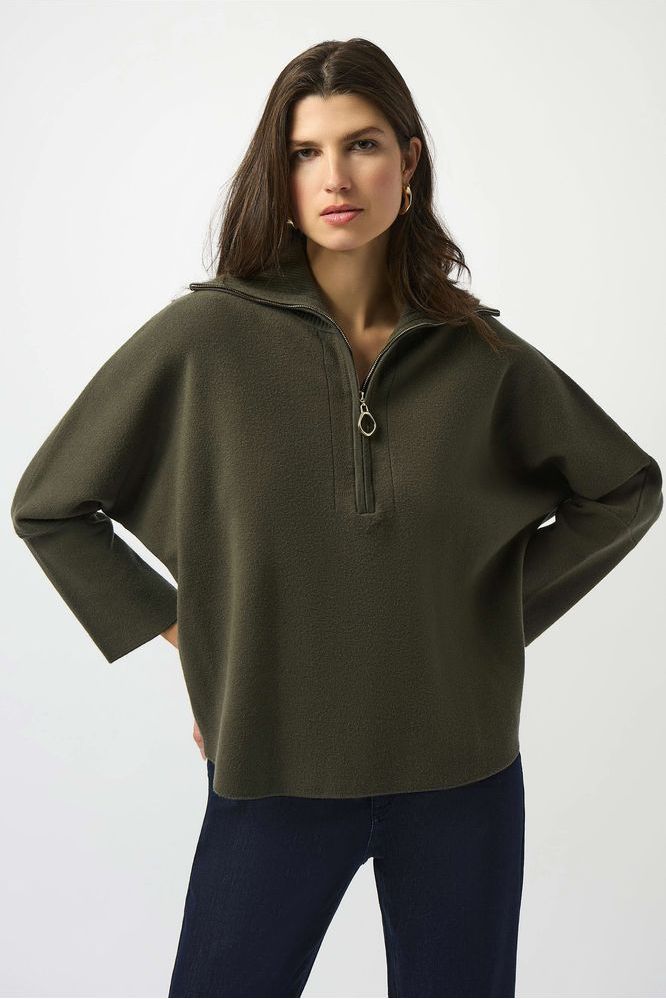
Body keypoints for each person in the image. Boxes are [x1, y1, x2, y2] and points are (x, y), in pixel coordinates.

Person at [10, 38, 662, 999]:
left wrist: (486, 615)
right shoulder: (204, 341)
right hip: (274, 769)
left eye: (361, 144)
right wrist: (196, 630)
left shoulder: (481, 358)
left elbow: (625, 487)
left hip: (463, 778)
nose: (335, 177)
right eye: (305, 152)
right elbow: (50, 506)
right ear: (277, 176)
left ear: (409, 159)